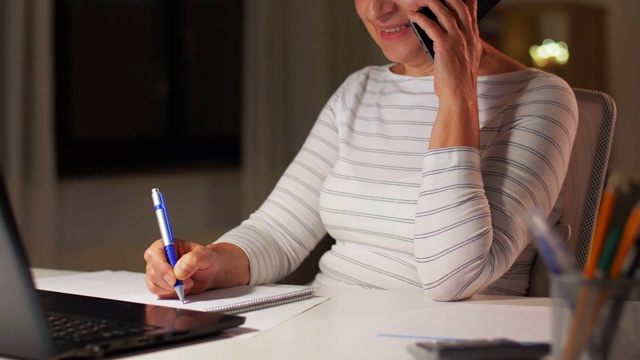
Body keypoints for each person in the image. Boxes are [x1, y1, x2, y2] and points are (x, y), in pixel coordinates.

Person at [144, 0, 578, 301]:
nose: (376, 10)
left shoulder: (541, 99)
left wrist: (457, 95)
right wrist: (209, 265)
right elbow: (278, 231)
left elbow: (453, 274)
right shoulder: (360, 89)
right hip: (327, 328)